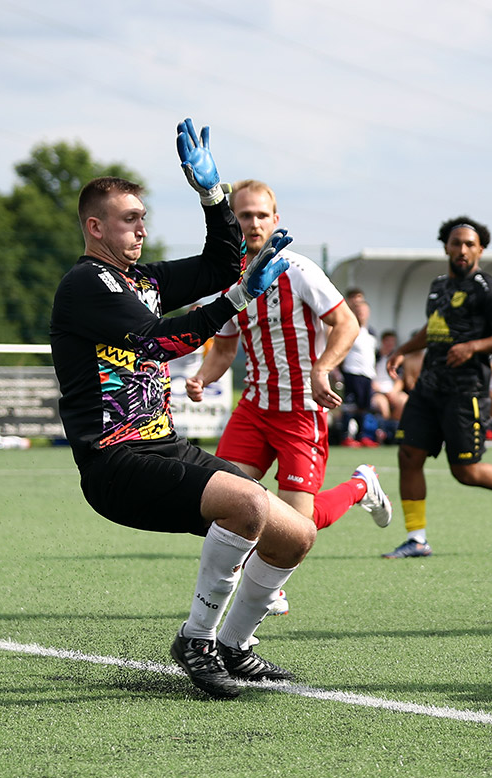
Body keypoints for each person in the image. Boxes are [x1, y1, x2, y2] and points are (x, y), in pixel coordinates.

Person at [50, 119, 324, 699]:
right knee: (248, 499)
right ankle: (197, 640)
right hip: (116, 463)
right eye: (130, 219)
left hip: (164, 448)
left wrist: (213, 197)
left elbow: (221, 265)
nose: (142, 228)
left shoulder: (138, 279)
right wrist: (238, 299)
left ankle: (236, 647)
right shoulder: (87, 285)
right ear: (95, 226)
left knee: (296, 535)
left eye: (144, 218)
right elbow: (161, 340)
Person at [185, 179, 393, 617]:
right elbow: (223, 348)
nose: (254, 223)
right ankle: (261, 590)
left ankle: (360, 486)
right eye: (244, 215)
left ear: (275, 220)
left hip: (301, 412)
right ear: (233, 221)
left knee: (297, 526)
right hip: (255, 409)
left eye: (262, 215)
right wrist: (203, 377)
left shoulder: (297, 269)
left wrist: (321, 369)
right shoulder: (227, 279)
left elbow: (347, 324)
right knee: (223, 503)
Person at [380, 216, 492, 558]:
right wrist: (402, 350)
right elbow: (433, 329)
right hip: (428, 388)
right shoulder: (439, 285)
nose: (462, 249)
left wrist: (473, 347)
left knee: (466, 472)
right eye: (456, 243)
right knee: (408, 456)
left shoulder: (486, 287)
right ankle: (417, 539)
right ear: (446, 246)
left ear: (480, 250)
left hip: (465, 392)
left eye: (470, 244)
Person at [340, 288, 380, 448]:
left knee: (365, 407)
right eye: (358, 310)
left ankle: (364, 436)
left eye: (364, 310)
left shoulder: (371, 333)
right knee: (350, 407)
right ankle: (347, 436)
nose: (361, 313)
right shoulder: (348, 328)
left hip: (367, 374)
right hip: (352, 373)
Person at [370, 329, 407, 442]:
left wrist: (393, 392)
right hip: (377, 391)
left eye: (392, 342)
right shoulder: (374, 356)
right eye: (388, 342)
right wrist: (381, 390)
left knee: (404, 401)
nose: (390, 345)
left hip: (392, 391)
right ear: (382, 342)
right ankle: (384, 433)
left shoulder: (396, 359)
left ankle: (396, 432)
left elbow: (400, 380)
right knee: (383, 405)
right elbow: (370, 378)